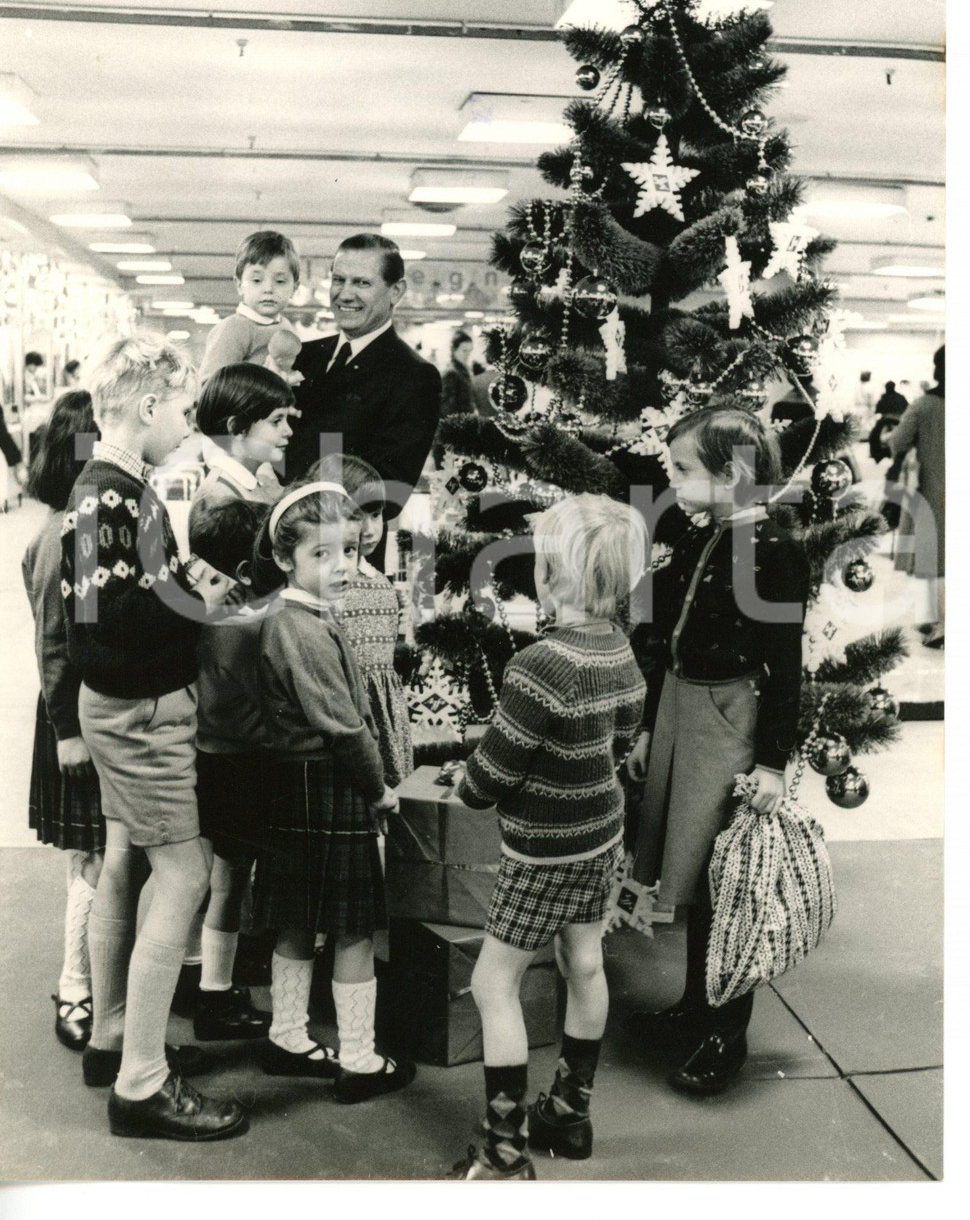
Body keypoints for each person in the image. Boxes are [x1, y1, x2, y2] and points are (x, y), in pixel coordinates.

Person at [61, 331, 247, 1141]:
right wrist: (200, 599)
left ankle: (113, 1036)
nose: (188, 424)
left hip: (116, 708)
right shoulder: (117, 496)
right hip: (141, 713)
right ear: (146, 406)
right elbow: (115, 625)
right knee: (186, 873)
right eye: (183, 410)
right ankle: (141, 1082)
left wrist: (176, 587)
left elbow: (100, 611)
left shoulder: (104, 485)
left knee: (127, 865)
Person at [451, 495, 647, 1179]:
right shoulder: (620, 649)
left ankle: (505, 1154)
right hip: (599, 838)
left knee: (492, 983)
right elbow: (620, 743)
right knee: (584, 964)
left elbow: (492, 778)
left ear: (549, 575)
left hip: (541, 852)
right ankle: (568, 1113)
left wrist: (466, 782)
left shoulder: (539, 664)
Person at [627, 407, 809, 1097]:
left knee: (726, 881)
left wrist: (772, 762)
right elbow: (665, 640)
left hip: (728, 721)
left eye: (682, 470)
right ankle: (695, 1006)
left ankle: (725, 1033)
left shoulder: (776, 551)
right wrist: (651, 727)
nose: (672, 482)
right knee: (696, 871)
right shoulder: (700, 534)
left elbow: (786, 668)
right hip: (681, 709)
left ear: (731, 475)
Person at [251, 481, 414, 1101]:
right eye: (322, 554)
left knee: (297, 918)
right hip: (328, 782)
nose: (342, 565)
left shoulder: (301, 615)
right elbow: (344, 726)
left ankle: (288, 1036)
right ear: (284, 557)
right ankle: (359, 1059)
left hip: (296, 784)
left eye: (349, 550)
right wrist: (378, 789)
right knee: (353, 929)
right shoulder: (303, 627)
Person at [22, 391, 105, 1052]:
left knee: (100, 855)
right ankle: (75, 986)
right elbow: (54, 643)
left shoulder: (79, 525)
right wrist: (69, 732)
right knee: (93, 856)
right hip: (73, 718)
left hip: (85, 714)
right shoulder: (65, 535)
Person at [286, 234, 442, 567]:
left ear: (396, 292)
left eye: (362, 283)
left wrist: (294, 494)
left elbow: (390, 491)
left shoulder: (413, 375)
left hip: (346, 562)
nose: (345, 294)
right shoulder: (302, 356)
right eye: (339, 280)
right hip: (281, 548)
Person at [184, 496, 272, 1044]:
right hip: (241, 760)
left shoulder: (196, 610)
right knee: (231, 883)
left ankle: (198, 976)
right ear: (246, 568)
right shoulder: (246, 625)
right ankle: (216, 994)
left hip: (200, 755)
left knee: (204, 880)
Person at [308, 454, 413, 787]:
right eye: (356, 515)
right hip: (349, 718)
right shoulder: (327, 582)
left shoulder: (379, 580)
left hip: (387, 716)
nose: (369, 529)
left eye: (376, 514)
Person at [888, 344, 945, 647]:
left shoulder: (924, 405)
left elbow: (897, 441)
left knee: (932, 557)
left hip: (932, 490)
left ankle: (935, 622)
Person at [199, 231, 300, 380]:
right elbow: (210, 384)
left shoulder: (286, 327)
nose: (268, 289)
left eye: (280, 281)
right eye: (257, 280)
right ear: (239, 284)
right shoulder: (233, 328)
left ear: (295, 288)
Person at [193, 362, 295, 508]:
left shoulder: (254, 482)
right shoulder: (221, 501)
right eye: (276, 421)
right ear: (238, 428)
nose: (289, 431)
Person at [440, 329, 475, 417]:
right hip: (457, 422)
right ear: (454, 350)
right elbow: (447, 408)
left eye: (470, 351)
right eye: (464, 351)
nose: (468, 355)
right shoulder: (451, 373)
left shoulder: (463, 370)